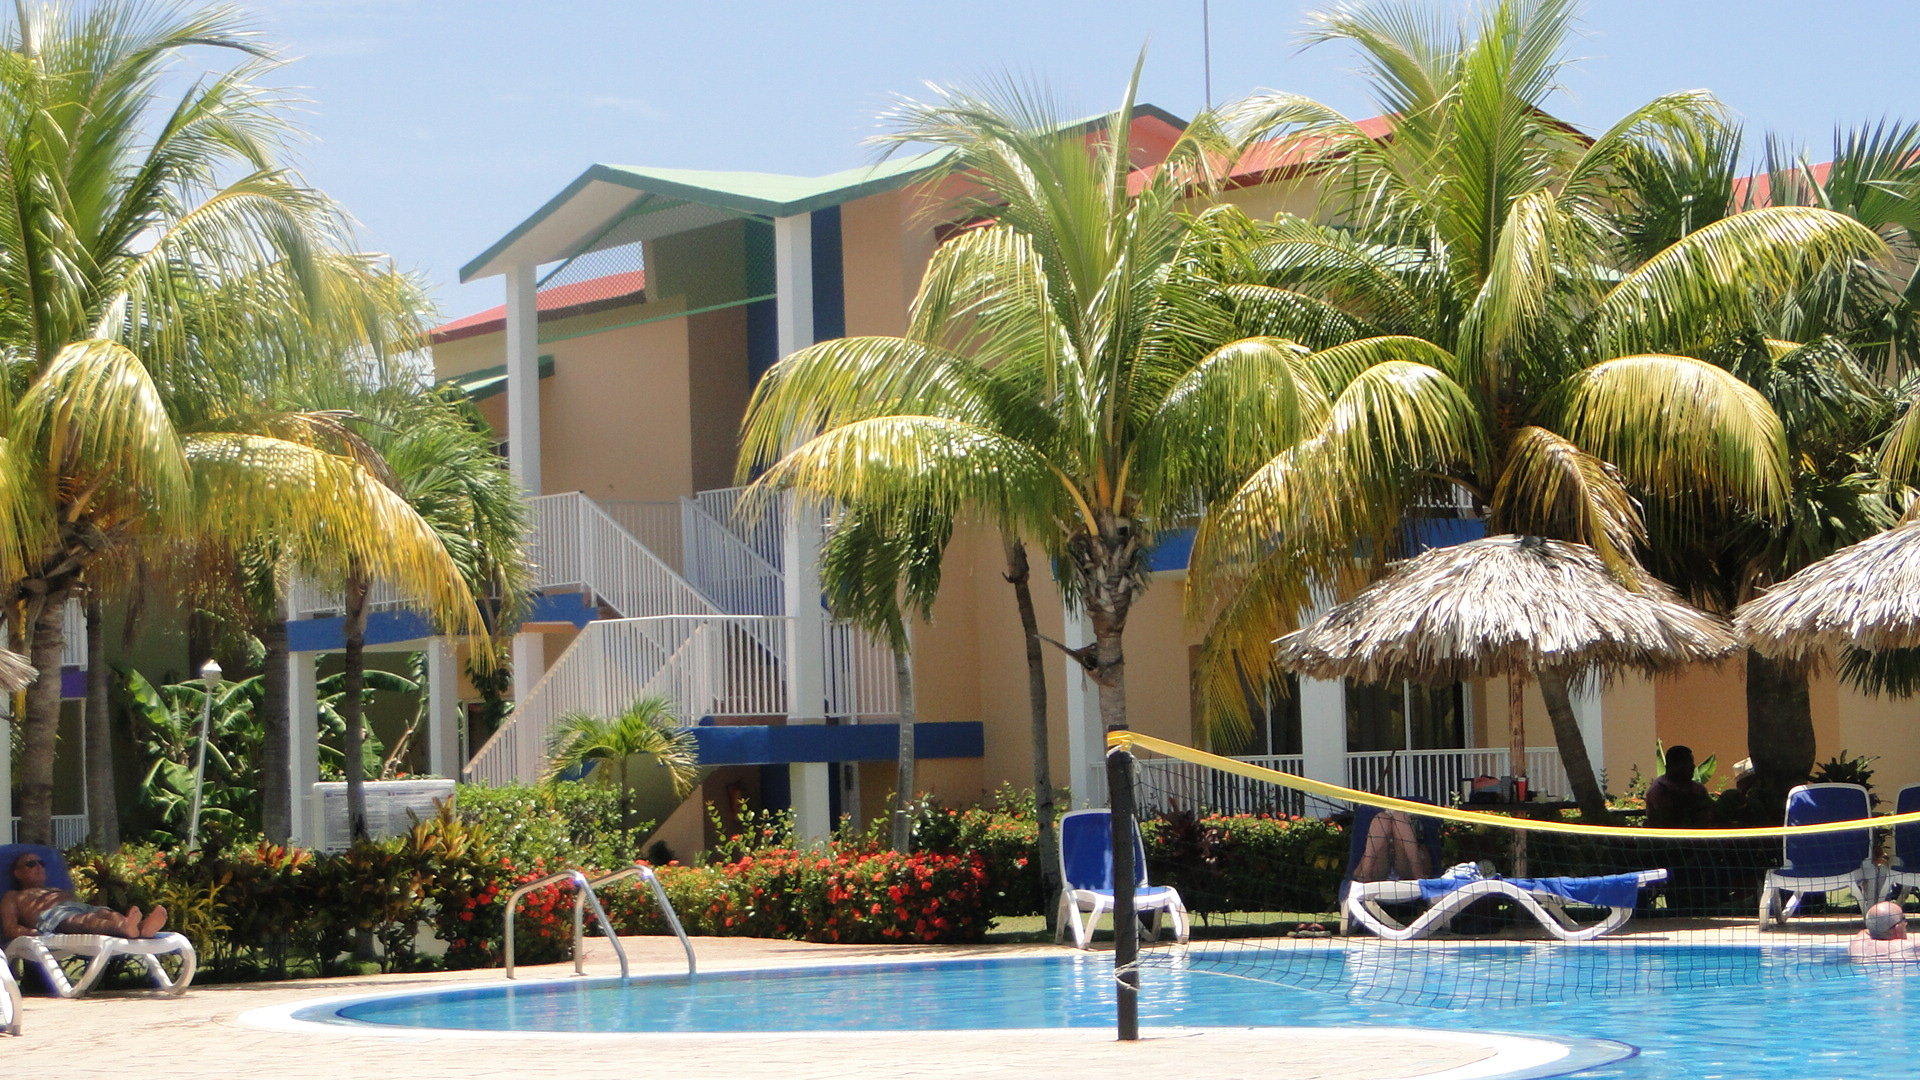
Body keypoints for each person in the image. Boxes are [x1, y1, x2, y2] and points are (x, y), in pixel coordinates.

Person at [0, 851, 167, 940]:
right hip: (53, 917)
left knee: (106, 913)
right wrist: (37, 934)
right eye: (30, 864)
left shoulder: (55, 889)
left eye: (41, 863)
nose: (38, 866)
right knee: (88, 921)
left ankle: (141, 928)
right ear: (17, 873)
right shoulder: (13, 896)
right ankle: (127, 928)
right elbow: (9, 928)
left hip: (80, 908)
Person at [1352, 808, 1433, 883]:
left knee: (1400, 817)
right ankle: (1365, 875)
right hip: (1379, 865)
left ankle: (1418, 873)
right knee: (1382, 819)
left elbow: (1426, 858)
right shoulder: (1371, 816)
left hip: (1405, 866)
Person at [1644, 745, 1714, 828]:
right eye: (1687, 763)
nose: (1693, 767)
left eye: (1692, 763)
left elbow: (1711, 811)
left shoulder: (1698, 789)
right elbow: (1669, 820)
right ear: (1673, 765)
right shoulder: (1659, 790)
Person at [1849, 901, 1920, 961]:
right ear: (1897, 928)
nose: (1906, 923)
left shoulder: (1857, 943)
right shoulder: (1904, 947)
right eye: (1904, 919)